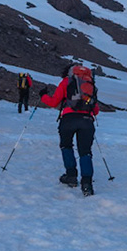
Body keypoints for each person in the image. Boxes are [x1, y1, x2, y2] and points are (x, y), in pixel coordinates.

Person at [39, 63, 99, 196]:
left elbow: (54, 102)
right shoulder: (90, 84)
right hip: (87, 121)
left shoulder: (66, 81)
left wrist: (43, 95)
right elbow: (96, 110)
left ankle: (71, 176)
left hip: (68, 119)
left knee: (66, 146)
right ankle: (87, 185)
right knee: (85, 152)